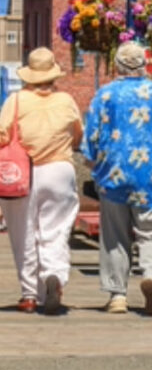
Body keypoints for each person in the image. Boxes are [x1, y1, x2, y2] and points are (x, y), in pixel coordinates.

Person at [82, 41, 152, 316]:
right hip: (148, 174)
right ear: (143, 63)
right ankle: (151, 274)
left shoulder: (104, 95)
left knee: (114, 234)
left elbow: (90, 136)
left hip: (112, 173)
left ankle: (117, 294)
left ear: (117, 64)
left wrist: (94, 162)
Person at [0, 47, 83, 314]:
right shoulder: (66, 100)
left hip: (23, 171)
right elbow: (77, 135)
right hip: (60, 169)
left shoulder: (16, 100)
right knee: (56, 230)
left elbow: (2, 134)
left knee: (23, 233)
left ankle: (29, 295)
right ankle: (54, 275)